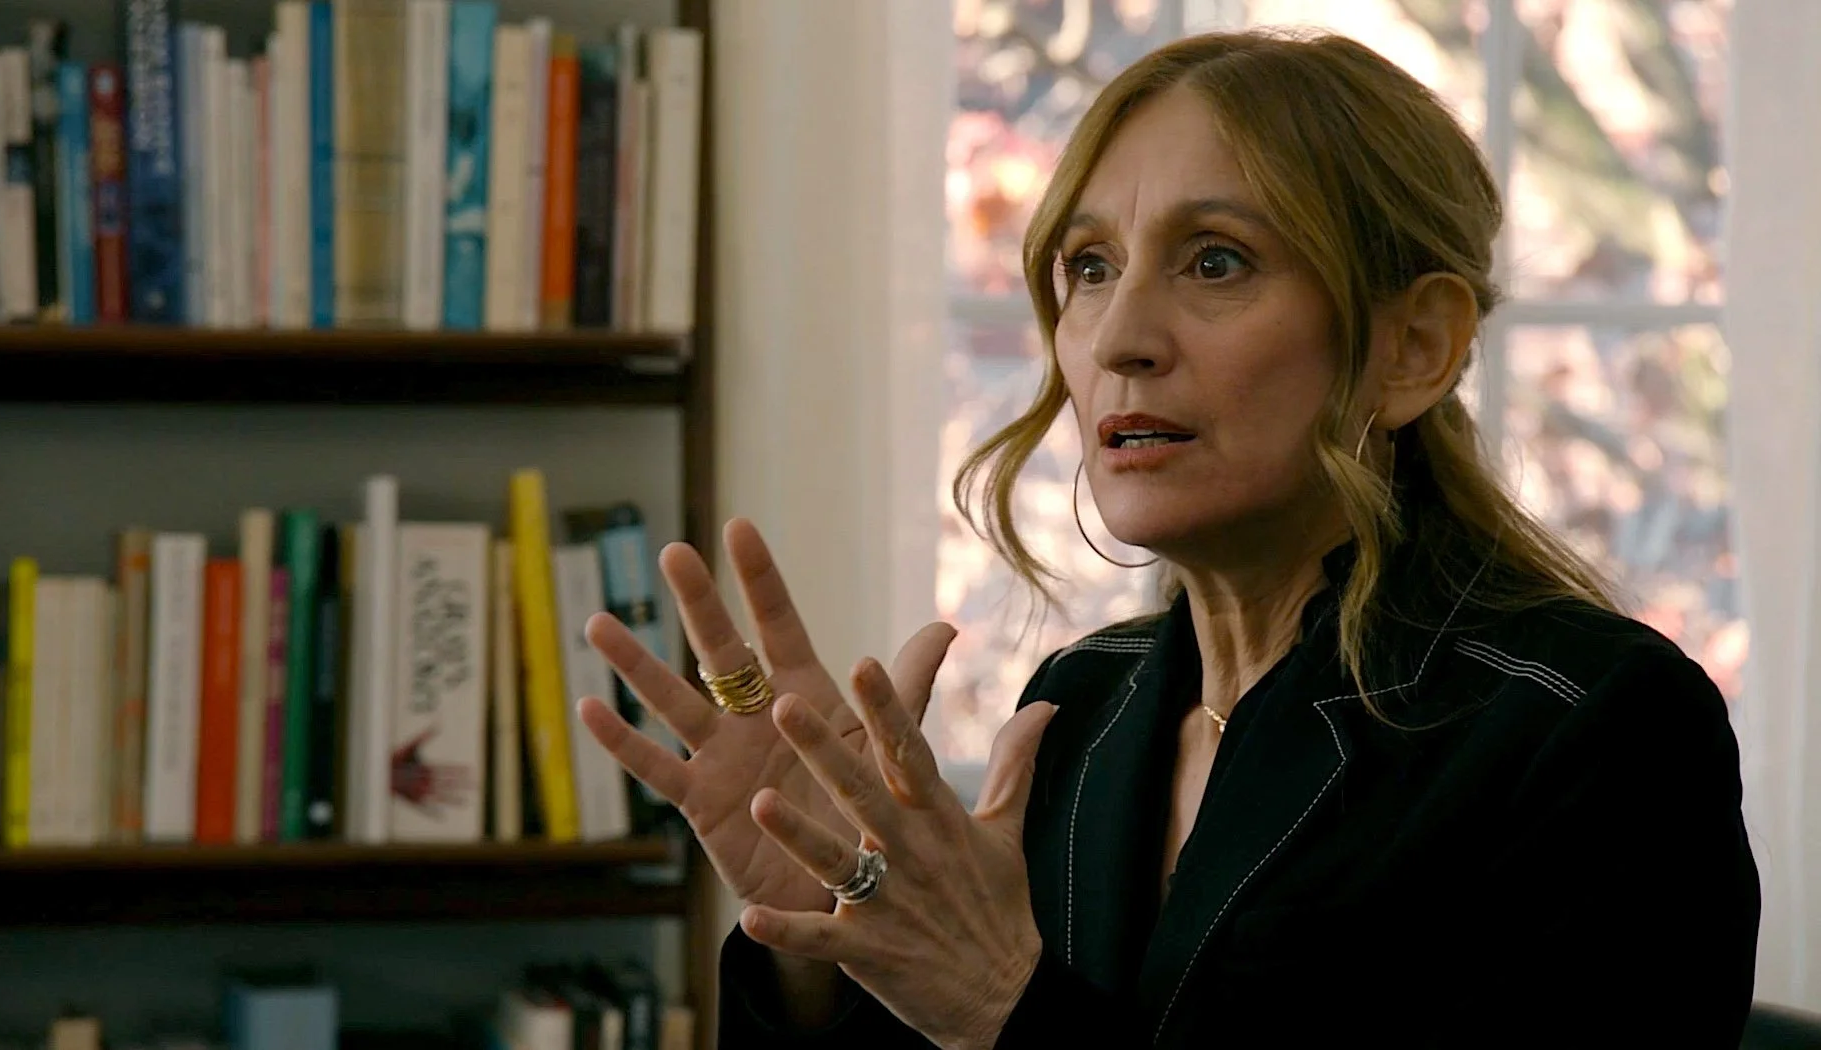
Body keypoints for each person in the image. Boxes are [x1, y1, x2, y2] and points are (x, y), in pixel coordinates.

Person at [578, 28, 1761, 1049]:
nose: (1118, 338)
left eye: (1216, 262)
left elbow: (1011, 1027)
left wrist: (1004, 1002)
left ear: (1415, 348)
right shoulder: (1077, 710)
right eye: (1088, 268)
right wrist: (828, 951)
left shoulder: (1593, 732)